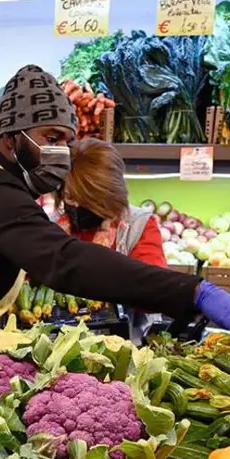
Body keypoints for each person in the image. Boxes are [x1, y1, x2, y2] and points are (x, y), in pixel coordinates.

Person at [0, 65, 230, 365]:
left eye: (66, 141)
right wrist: (196, 292)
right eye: (51, 139)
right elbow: (67, 261)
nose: (62, 152)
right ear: (11, 138)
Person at [55, 137, 165, 342]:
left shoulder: (138, 225)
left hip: (122, 341)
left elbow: (155, 292)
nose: (76, 206)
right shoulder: (53, 227)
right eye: (70, 197)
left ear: (109, 196)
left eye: (87, 200)